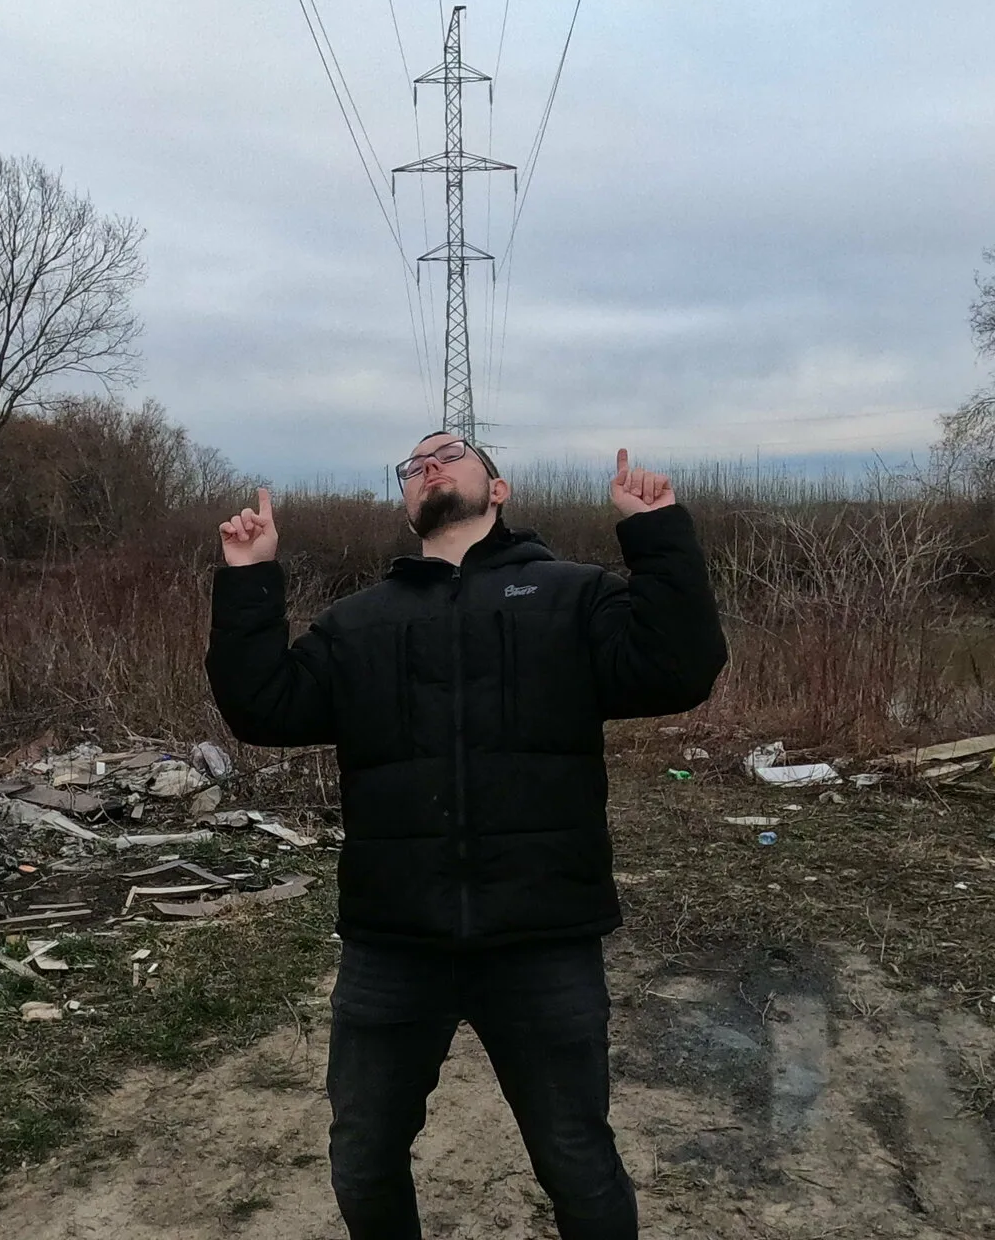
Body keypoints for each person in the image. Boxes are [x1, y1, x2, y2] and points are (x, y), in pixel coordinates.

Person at [204, 431, 728, 1240]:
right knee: (363, 1159)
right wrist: (249, 578)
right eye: (413, 467)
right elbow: (263, 708)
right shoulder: (358, 623)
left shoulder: (573, 596)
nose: (428, 469)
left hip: (542, 934)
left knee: (577, 1160)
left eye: (448, 455)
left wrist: (655, 533)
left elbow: (679, 669)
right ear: (406, 502)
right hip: (393, 942)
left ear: (499, 487)